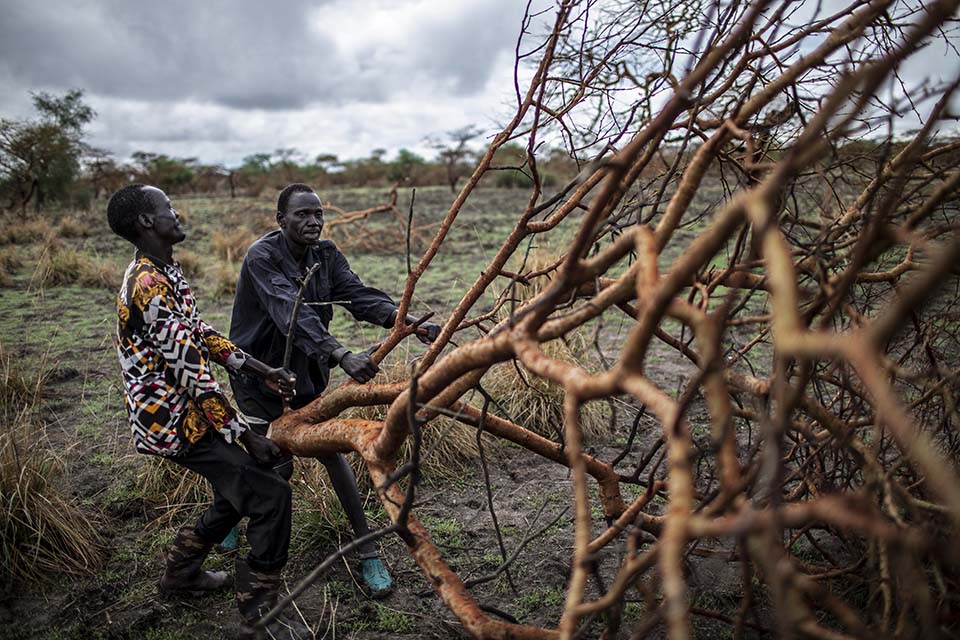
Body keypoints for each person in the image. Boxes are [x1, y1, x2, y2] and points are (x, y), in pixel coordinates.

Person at [108, 184, 309, 639]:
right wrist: (245, 435)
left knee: (257, 479)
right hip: (174, 422)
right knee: (271, 494)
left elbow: (199, 332)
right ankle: (259, 615)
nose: (177, 214)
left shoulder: (162, 270)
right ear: (145, 222)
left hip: (187, 415)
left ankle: (182, 571)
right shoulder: (146, 284)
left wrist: (260, 369)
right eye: (168, 209)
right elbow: (191, 373)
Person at [228, 182, 441, 598]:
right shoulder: (262, 257)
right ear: (281, 220)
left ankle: (367, 551)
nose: (313, 221)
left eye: (318, 213)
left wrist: (410, 323)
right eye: (302, 214)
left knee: (331, 449)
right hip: (260, 375)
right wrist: (341, 353)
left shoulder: (325, 256)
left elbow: (359, 297)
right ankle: (227, 520)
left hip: (307, 374)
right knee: (270, 461)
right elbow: (289, 313)